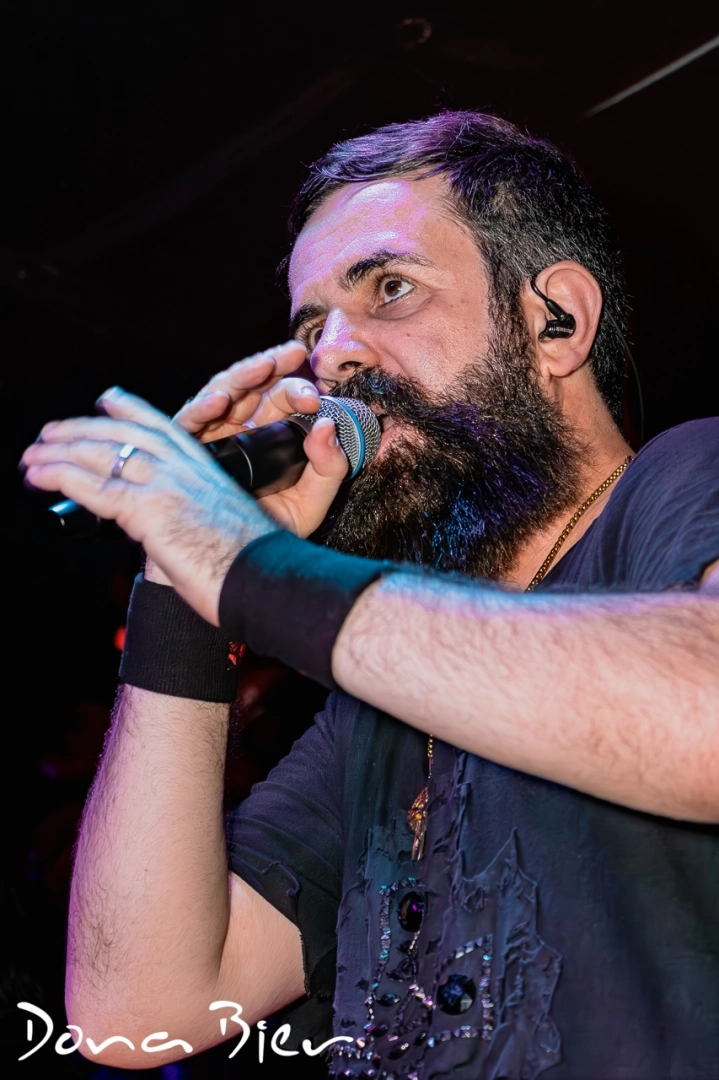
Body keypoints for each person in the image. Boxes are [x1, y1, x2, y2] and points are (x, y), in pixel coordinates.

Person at [22, 112, 719, 1079]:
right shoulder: (377, 717)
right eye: (312, 328)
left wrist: (248, 566)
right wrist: (181, 588)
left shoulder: (686, 477)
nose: (334, 357)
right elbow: (137, 1009)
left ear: (553, 320)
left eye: (389, 287)